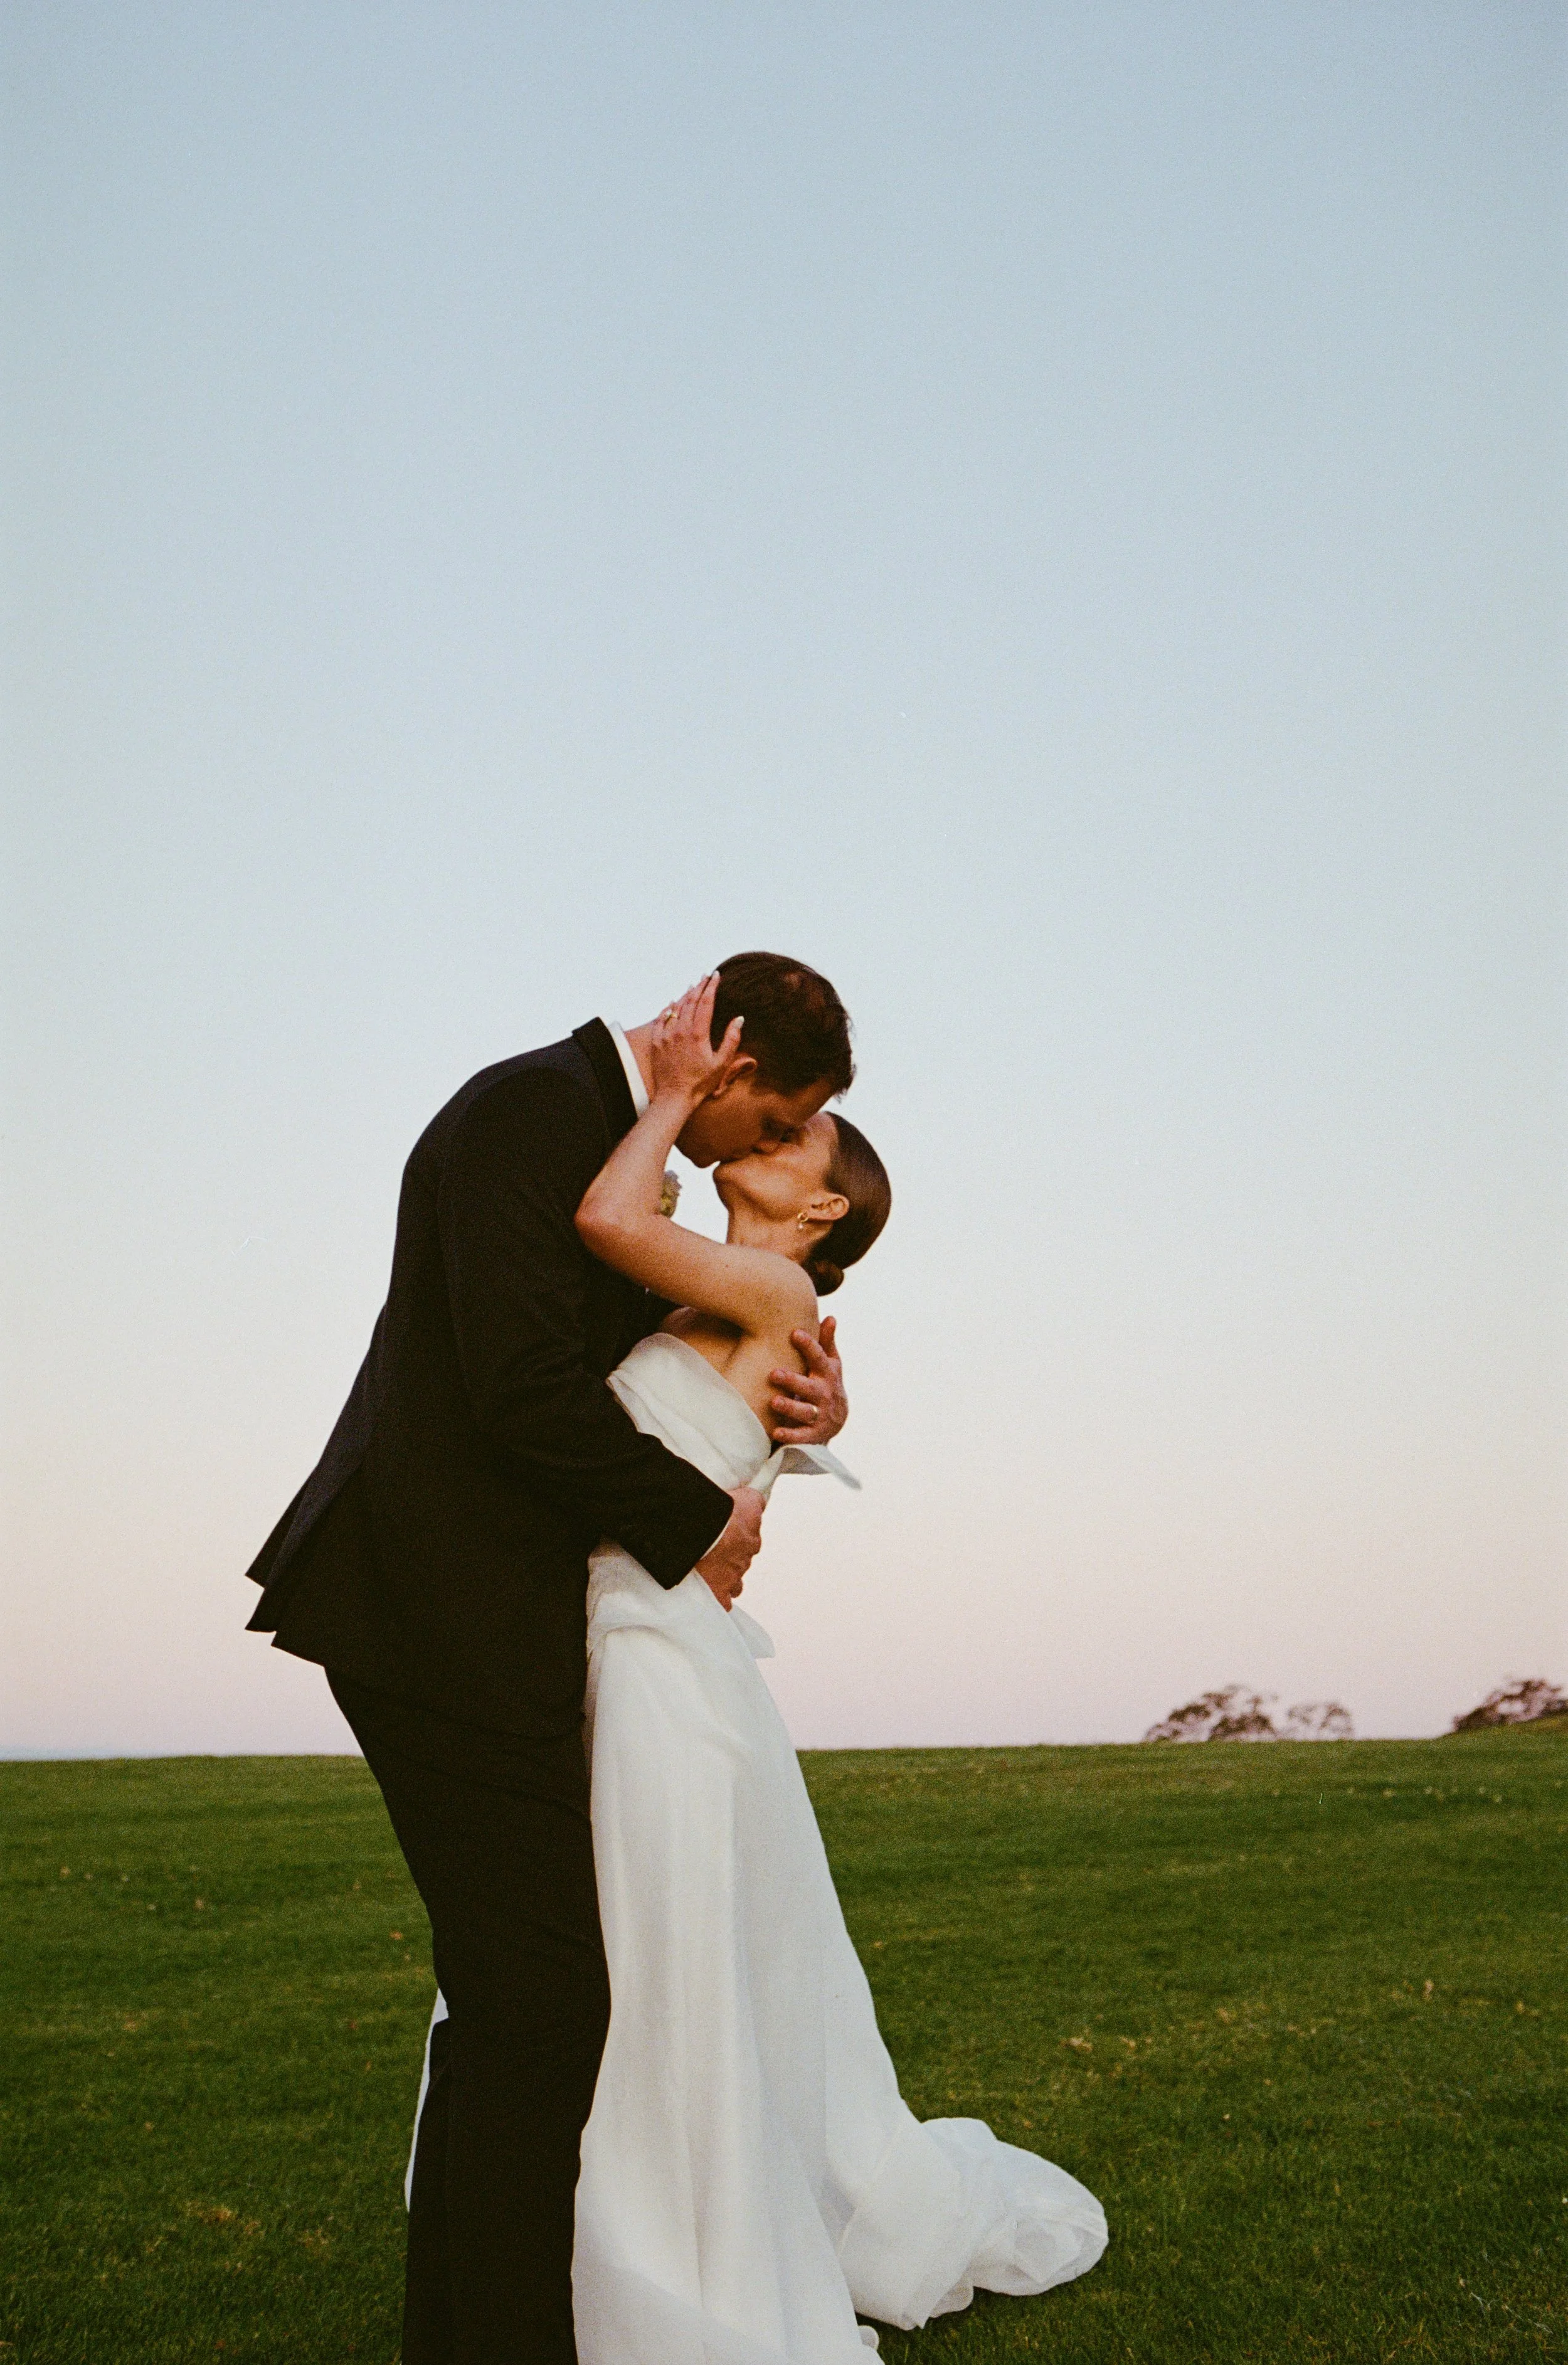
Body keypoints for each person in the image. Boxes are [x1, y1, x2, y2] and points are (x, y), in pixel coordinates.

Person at [244, 954, 854, 2365]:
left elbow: (644, 1356)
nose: (749, 1152)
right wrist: (696, 1521)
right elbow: (518, 1391)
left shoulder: (591, 1137)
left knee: (509, 2001)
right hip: (432, 1609)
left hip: (493, 1618)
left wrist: (802, 1381)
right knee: (543, 2003)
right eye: (767, 1122)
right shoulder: (526, 1117)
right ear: (730, 1063)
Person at [560, 979, 1106, 2358]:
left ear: (816, 1215)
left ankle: (690, 2256)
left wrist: (674, 1092)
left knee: (667, 1967)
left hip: (662, 1663)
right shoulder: (728, 1296)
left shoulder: (776, 1285)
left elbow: (607, 1218)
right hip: (618, 1643)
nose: (778, 1135)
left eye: (800, 1141)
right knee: (633, 1963)